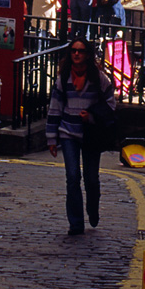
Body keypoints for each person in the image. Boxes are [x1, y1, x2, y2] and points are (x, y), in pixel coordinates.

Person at [46, 37, 116, 236]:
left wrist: (92, 116)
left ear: (88, 54)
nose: (77, 54)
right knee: (72, 177)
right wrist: (52, 138)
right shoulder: (63, 78)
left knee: (91, 179)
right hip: (68, 132)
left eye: (81, 50)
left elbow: (111, 104)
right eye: (73, 51)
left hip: (91, 134)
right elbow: (55, 108)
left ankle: (92, 210)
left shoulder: (99, 78)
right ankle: (76, 224)